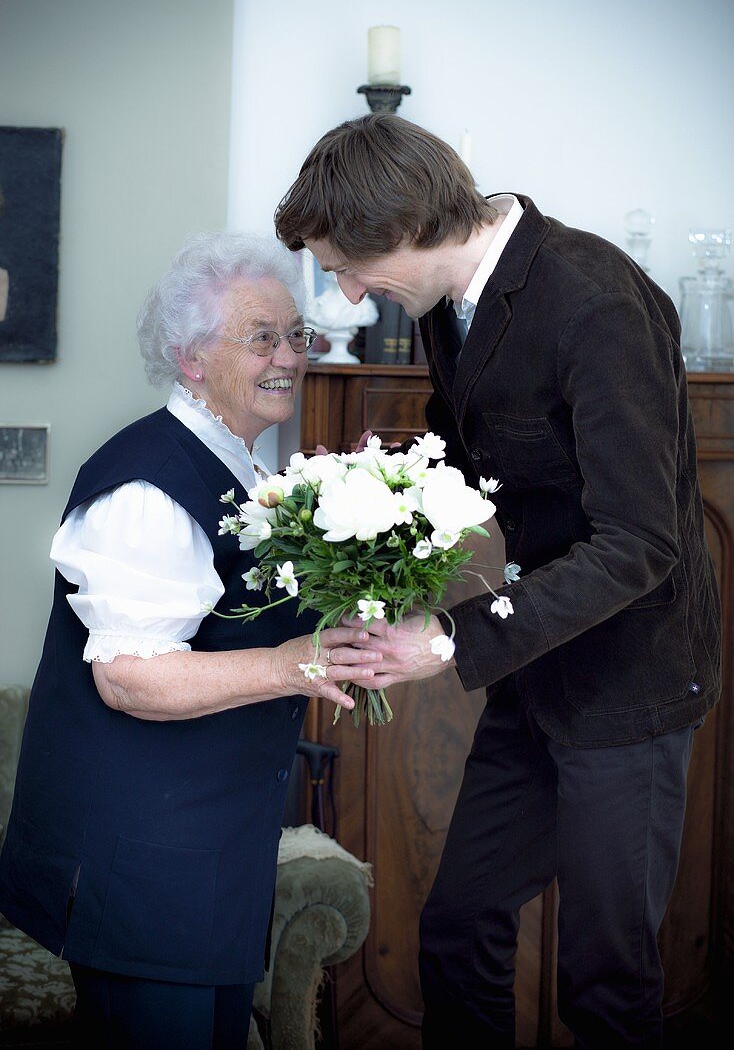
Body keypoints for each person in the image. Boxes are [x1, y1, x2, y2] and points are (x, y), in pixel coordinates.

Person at [274, 114, 722, 1049]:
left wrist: (445, 640)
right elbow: (475, 445)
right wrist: (379, 515)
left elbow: (642, 542)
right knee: (458, 926)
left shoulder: (596, 301)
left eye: (349, 267)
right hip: (537, 666)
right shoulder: (446, 301)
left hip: (631, 679)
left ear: (410, 225)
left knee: (606, 980)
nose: (345, 293)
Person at [0, 233, 380, 1050]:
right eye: (262, 337)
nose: (289, 357)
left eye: (296, 336)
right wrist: (290, 665)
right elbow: (130, 679)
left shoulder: (239, 466)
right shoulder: (148, 484)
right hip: (139, 869)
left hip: (201, 859)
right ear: (191, 355)